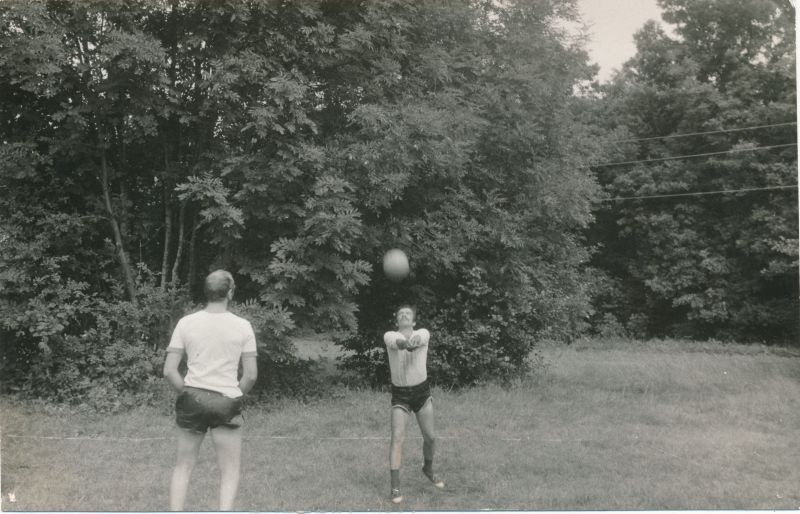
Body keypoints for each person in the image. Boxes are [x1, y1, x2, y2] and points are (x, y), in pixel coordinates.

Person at [163, 270, 258, 511]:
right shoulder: (243, 326)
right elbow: (250, 375)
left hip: (191, 399)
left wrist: (188, 393)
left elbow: (169, 371)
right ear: (230, 293)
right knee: (230, 470)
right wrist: (233, 395)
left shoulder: (186, 323)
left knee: (183, 466)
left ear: (206, 292)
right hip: (226, 401)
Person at [383, 304, 445, 504]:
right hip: (400, 395)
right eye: (400, 313)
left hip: (422, 393)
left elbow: (419, 339)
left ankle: (428, 468)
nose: (403, 315)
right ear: (396, 320)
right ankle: (395, 487)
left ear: (414, 321)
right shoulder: (390, 336)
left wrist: (413, 342)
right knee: (397, 438)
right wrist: (405, 344)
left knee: (430, 437)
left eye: (407, 313)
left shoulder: (423, 333)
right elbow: (397, 342)